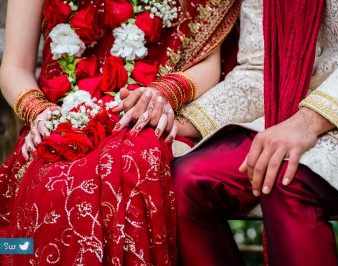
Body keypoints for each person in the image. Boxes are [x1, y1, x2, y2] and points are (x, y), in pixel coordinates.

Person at [0, 0, 242, 264]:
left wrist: (162, 94)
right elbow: (14, 67)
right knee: (50, 182)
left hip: (144, 117)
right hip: (58, 118)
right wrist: (38, 111)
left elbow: (208, 61)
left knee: (134, 167)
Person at [170, 0, 338, 265]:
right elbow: (258, 70)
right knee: (188, 180)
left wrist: (309, 121)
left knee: (286, 176)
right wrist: (182, 122)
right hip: (288, 114)